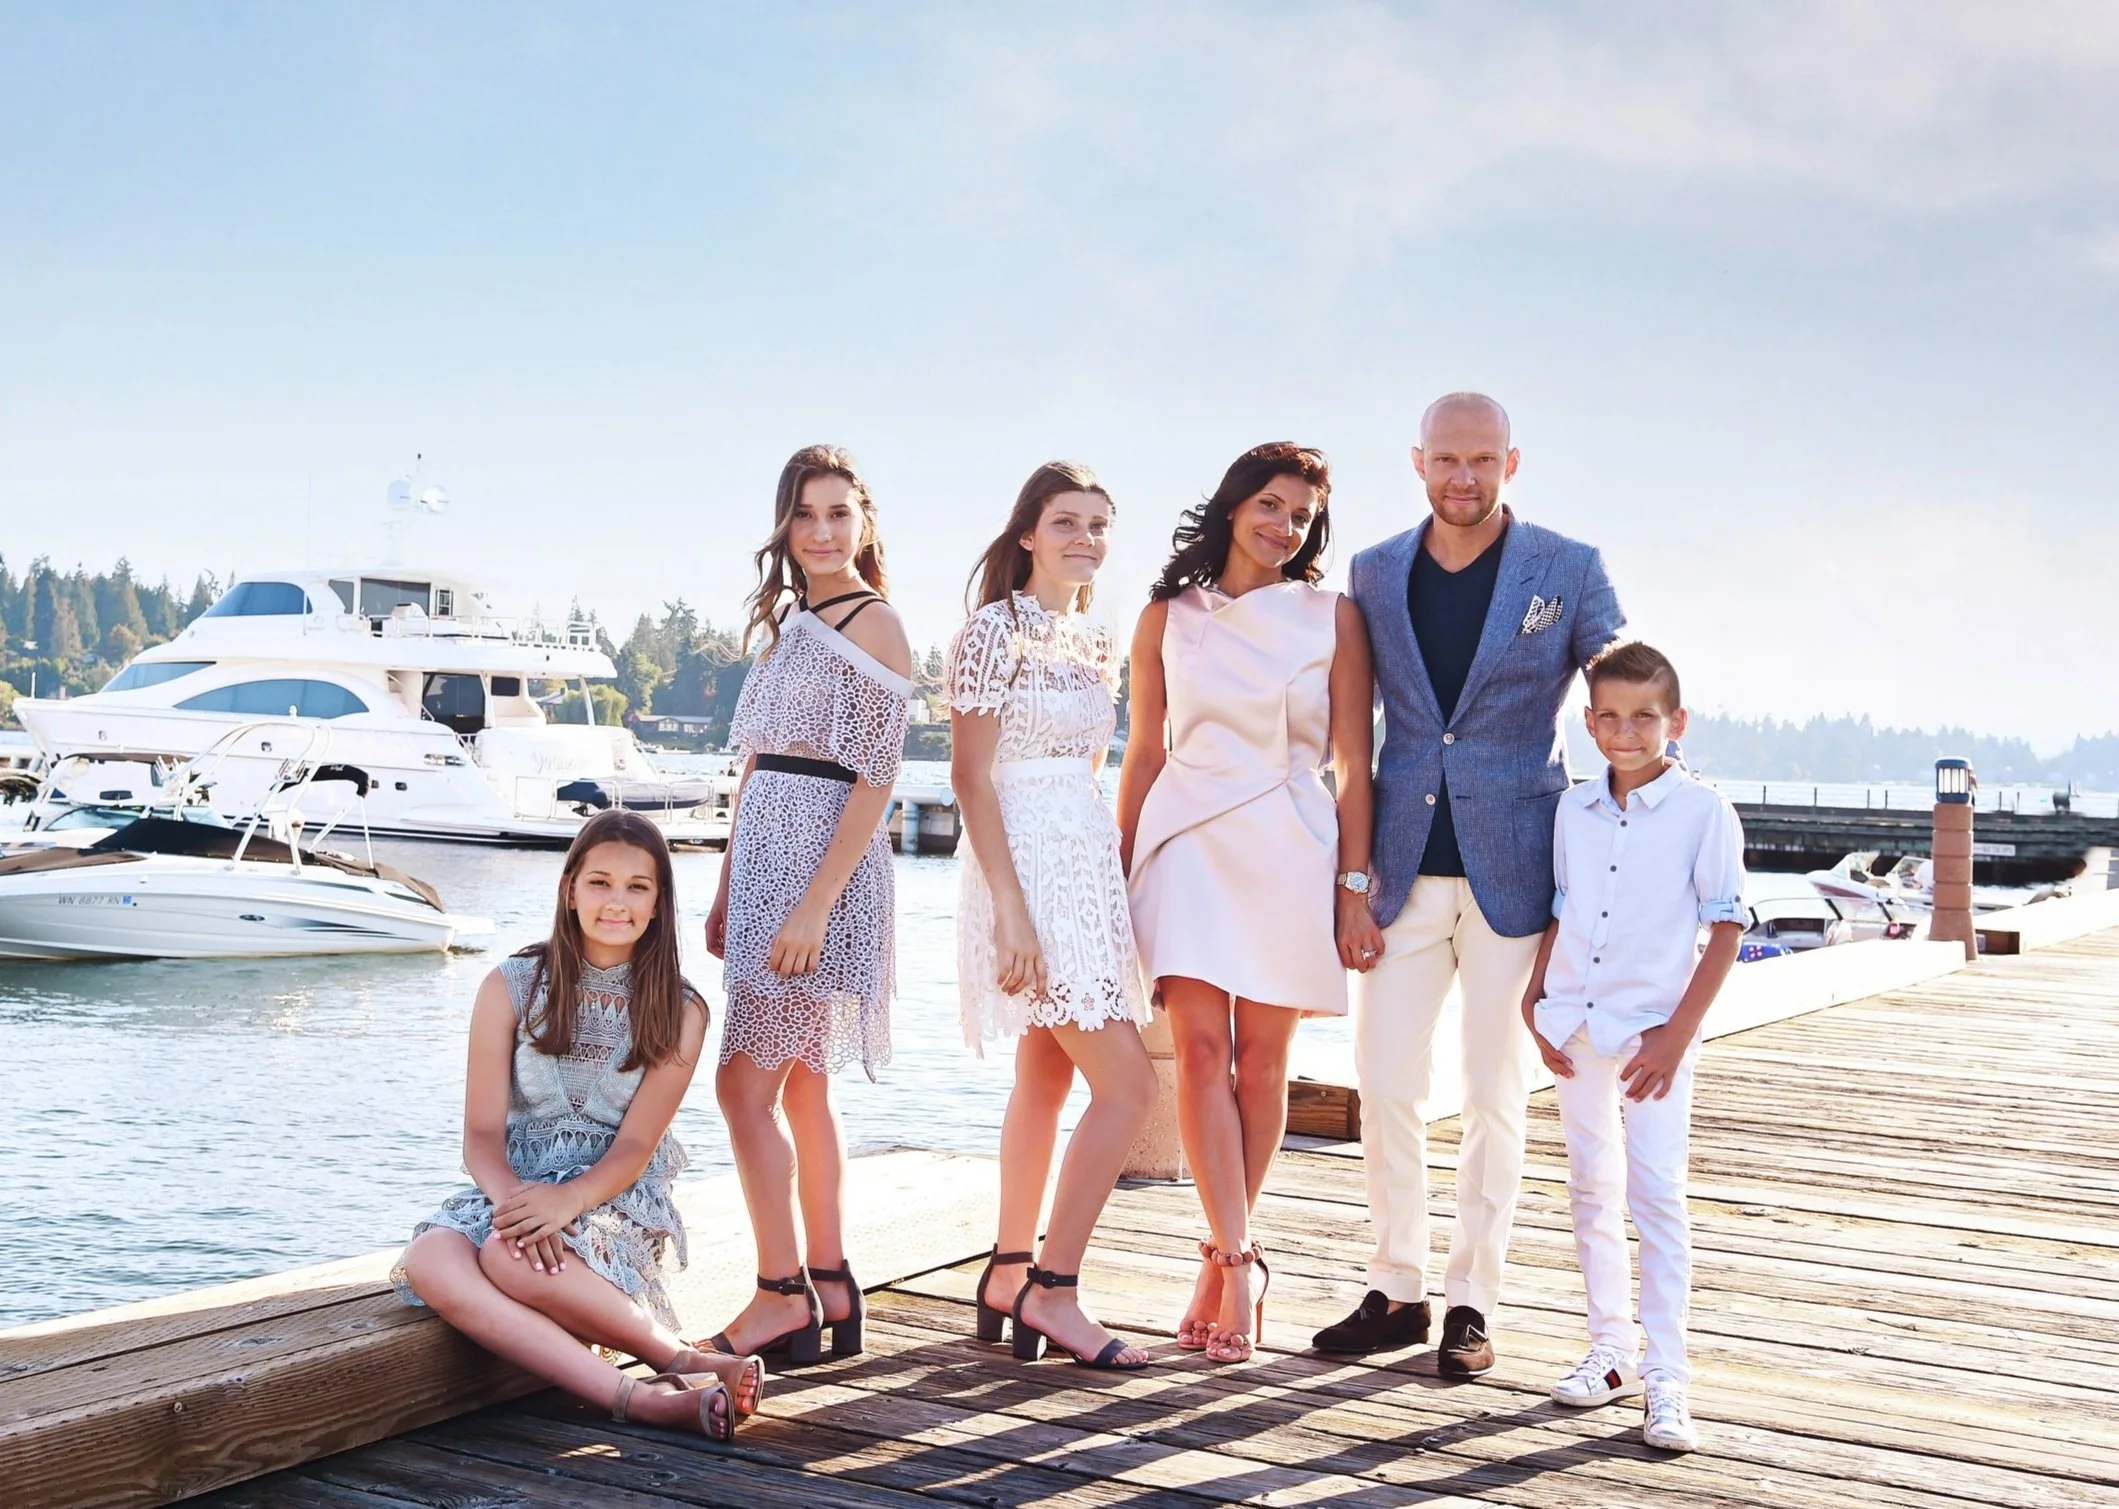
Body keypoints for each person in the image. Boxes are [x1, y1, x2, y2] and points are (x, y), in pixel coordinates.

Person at [1316, 392, 1624, 1377]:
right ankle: (1396, 1286)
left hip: (1517, 873)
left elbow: (1618, 676)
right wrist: (1350, 882)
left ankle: (1471, 1302)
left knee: (1494, 1092)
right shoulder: (1372, 571)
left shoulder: (1567, 568)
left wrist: (1656, 770)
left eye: (1481, 460)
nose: (1462, 477)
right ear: (1417, 462)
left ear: (1510, 463)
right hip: (1399, 871)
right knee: (1385, 1085)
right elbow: (1349, 734)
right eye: (1446, 458)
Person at [1117, 441, 1383, 1365]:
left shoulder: (1331, 616)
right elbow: (1143, 753)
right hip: (1186, 838)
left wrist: (1353, 887)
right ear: (1233, 505)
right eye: (1269, 504)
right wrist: (1119, 871)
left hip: (1288, 841)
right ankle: (1234, 1258)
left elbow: (1352, 764)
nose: (1283, 526)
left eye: (1301, 515)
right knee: (1197, 1051)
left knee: (1263, 1065)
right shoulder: (1165, 617)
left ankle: (1225, 1253)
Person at [393, 809, 758, 1440]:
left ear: (658, 903)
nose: (616, 902)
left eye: (637, 887)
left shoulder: (680, 1009)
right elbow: (480, 1137)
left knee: (509, 1260)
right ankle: (654, 1386)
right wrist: (516, 1205)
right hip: (513, 1188)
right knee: (429, 1258)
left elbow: (637, 1146)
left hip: (613, 1196)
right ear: (569, 891)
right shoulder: (510, 986)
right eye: (599, 882)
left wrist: (567, 1201)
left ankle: (664, 1371)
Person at [704, 444, 913, 1364]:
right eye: (804, 513)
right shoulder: (796, 619)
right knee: (801, 1085)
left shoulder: (875, 623)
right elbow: (758, 762)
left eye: (838, 512)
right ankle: (828, 1280)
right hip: (765, 862)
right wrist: (726, 882)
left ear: (864, 522)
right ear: (785, 526)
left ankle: (779, 1293)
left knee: (742, 1087)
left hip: (819, 872)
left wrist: (813, 906)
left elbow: (877, 777)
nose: (821, 531)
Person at [950, 461, 1158, 1371]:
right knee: (1130, 1088)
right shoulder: (992, 631)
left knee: (1045, 1074)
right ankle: (1054, 1289)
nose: (1085, 538)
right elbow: (968, 776)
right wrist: (1012, 910)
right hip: (1025, 868)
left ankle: (1008, 1269)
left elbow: (1092, 766)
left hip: (1084, 859)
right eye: (1066, 521)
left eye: (1098, 524)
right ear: (1028, 533)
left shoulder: (1097, 638)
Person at [1524, 640, 1745, 1454]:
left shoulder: (1704, 812)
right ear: (1588, 723)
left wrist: (1676, 1035)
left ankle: (1666, 1375)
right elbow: (1563, 907)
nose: (1625, 732)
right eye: (1609, 717)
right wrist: (1533, 997)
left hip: (1654, 1035)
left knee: (1655, 1192)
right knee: (1590, 1186)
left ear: (1674, 721)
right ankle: (1610, 1349)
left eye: (1643, 717)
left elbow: (1725, 928)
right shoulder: (1571, 811)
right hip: (1573, 1026)